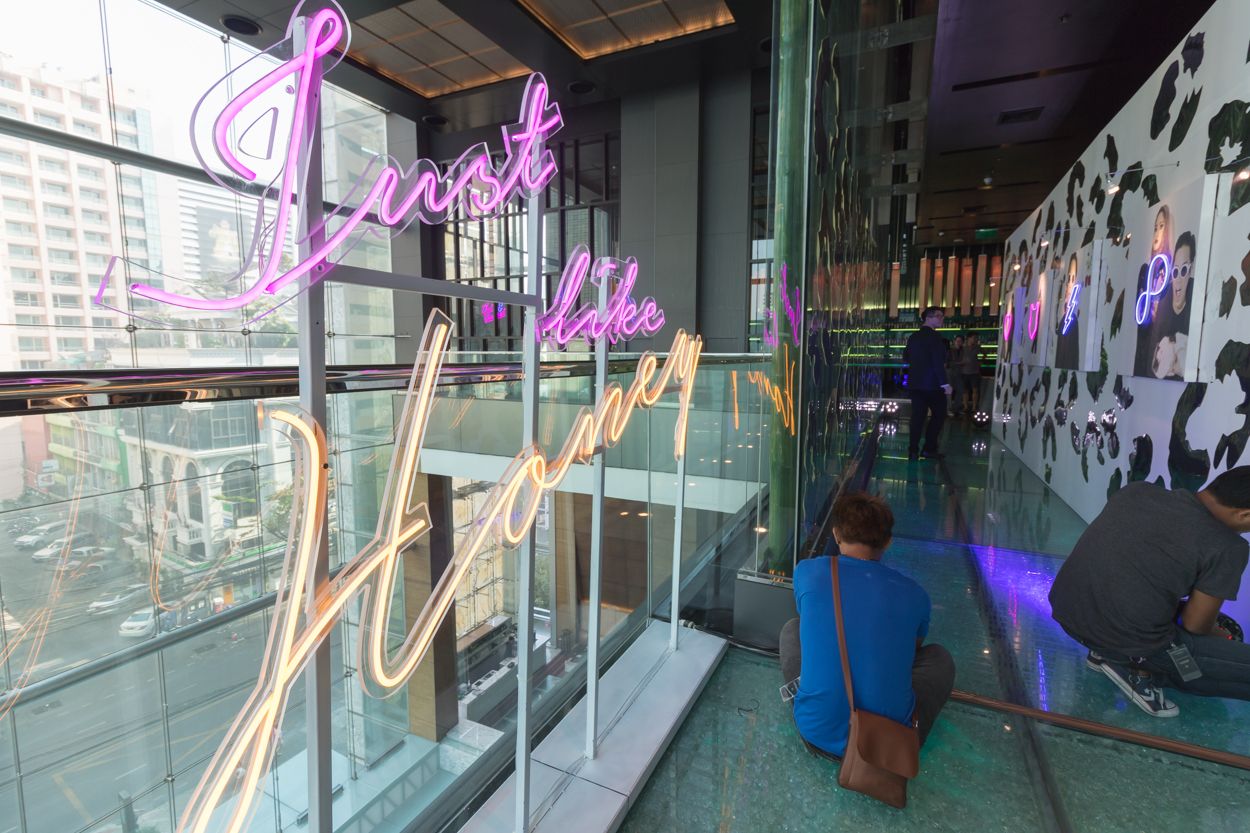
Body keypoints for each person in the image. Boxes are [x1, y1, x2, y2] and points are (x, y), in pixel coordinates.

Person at [1049, 467, 1250, 717]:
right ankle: (1136, 670)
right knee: (1201, 670)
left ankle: (1108, 654)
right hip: (1133, 643)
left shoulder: (1137, 491)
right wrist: (1223, 636)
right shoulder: (1229, 546)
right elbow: (1196, 625)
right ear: (1245, 514)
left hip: (1070, 614)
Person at [780, 492, 955, 760]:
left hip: (815, 731)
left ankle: (819, 701)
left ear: (836, 534)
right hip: (888, 744)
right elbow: (912, 650)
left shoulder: (807, 572)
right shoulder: (916, 595)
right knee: (939, 659)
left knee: (793, 630)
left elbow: (811, 621)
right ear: (887, 541)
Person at [904, 306, 953, 460]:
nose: (942, 319)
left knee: (917, 417)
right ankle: (929, 449)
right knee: (939, 415)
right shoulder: (935, 337)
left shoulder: (913, 337)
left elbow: (906, 357)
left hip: (915, 384)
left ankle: (913, 450)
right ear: (928, 318)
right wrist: (945, 384)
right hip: (933, 385)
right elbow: (937, 362)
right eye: (939, 316)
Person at [959, 333, 982, 416]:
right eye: (974, 338)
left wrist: (980, 362)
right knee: (965, 390)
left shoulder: (977, 347)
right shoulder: (962, 347)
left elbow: (985, 354)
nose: (975, 339)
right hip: (964, 372)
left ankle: (974, 407)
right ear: (968, 338)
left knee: (975, 390)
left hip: (975, 372)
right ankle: (965, 407)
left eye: (976, 338)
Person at [946, 334, 965, 417]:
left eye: (960, 341)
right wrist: (959, 363)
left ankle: (956, 409)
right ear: (954, 342)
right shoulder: (949, 350)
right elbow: (946, 363)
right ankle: (948, 409)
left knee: (960, 391)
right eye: (957, 341)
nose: (958, 342)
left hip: (959, 373)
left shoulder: (963, 350)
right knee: (948, 392)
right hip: (949, 373)